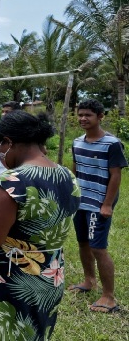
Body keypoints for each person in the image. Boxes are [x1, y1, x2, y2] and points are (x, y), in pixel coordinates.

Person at [0, 111, 80, 340]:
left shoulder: (13, 180)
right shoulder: (67, 175)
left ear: (8, 142)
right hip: (49, 276)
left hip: (13, 282)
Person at [68, 99, 126, 313]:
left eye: (88, 115)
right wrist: (69, 192)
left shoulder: (112, 144)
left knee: (98, 248)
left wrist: (107, 204)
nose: (83, 118)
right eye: (80, 114)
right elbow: (76, 169)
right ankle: (89, 281)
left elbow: (116, 176)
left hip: (98, 205)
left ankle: (108, 297)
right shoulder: (76, 142)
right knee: (83, 243)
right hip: (80, 202)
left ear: (100, 117)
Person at [0, 101, 22, 182]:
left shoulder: (22, 129)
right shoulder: (0, 128)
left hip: (14, 166)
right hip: (0, 165)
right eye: (2, 111)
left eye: (7, 112)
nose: (3, 114)